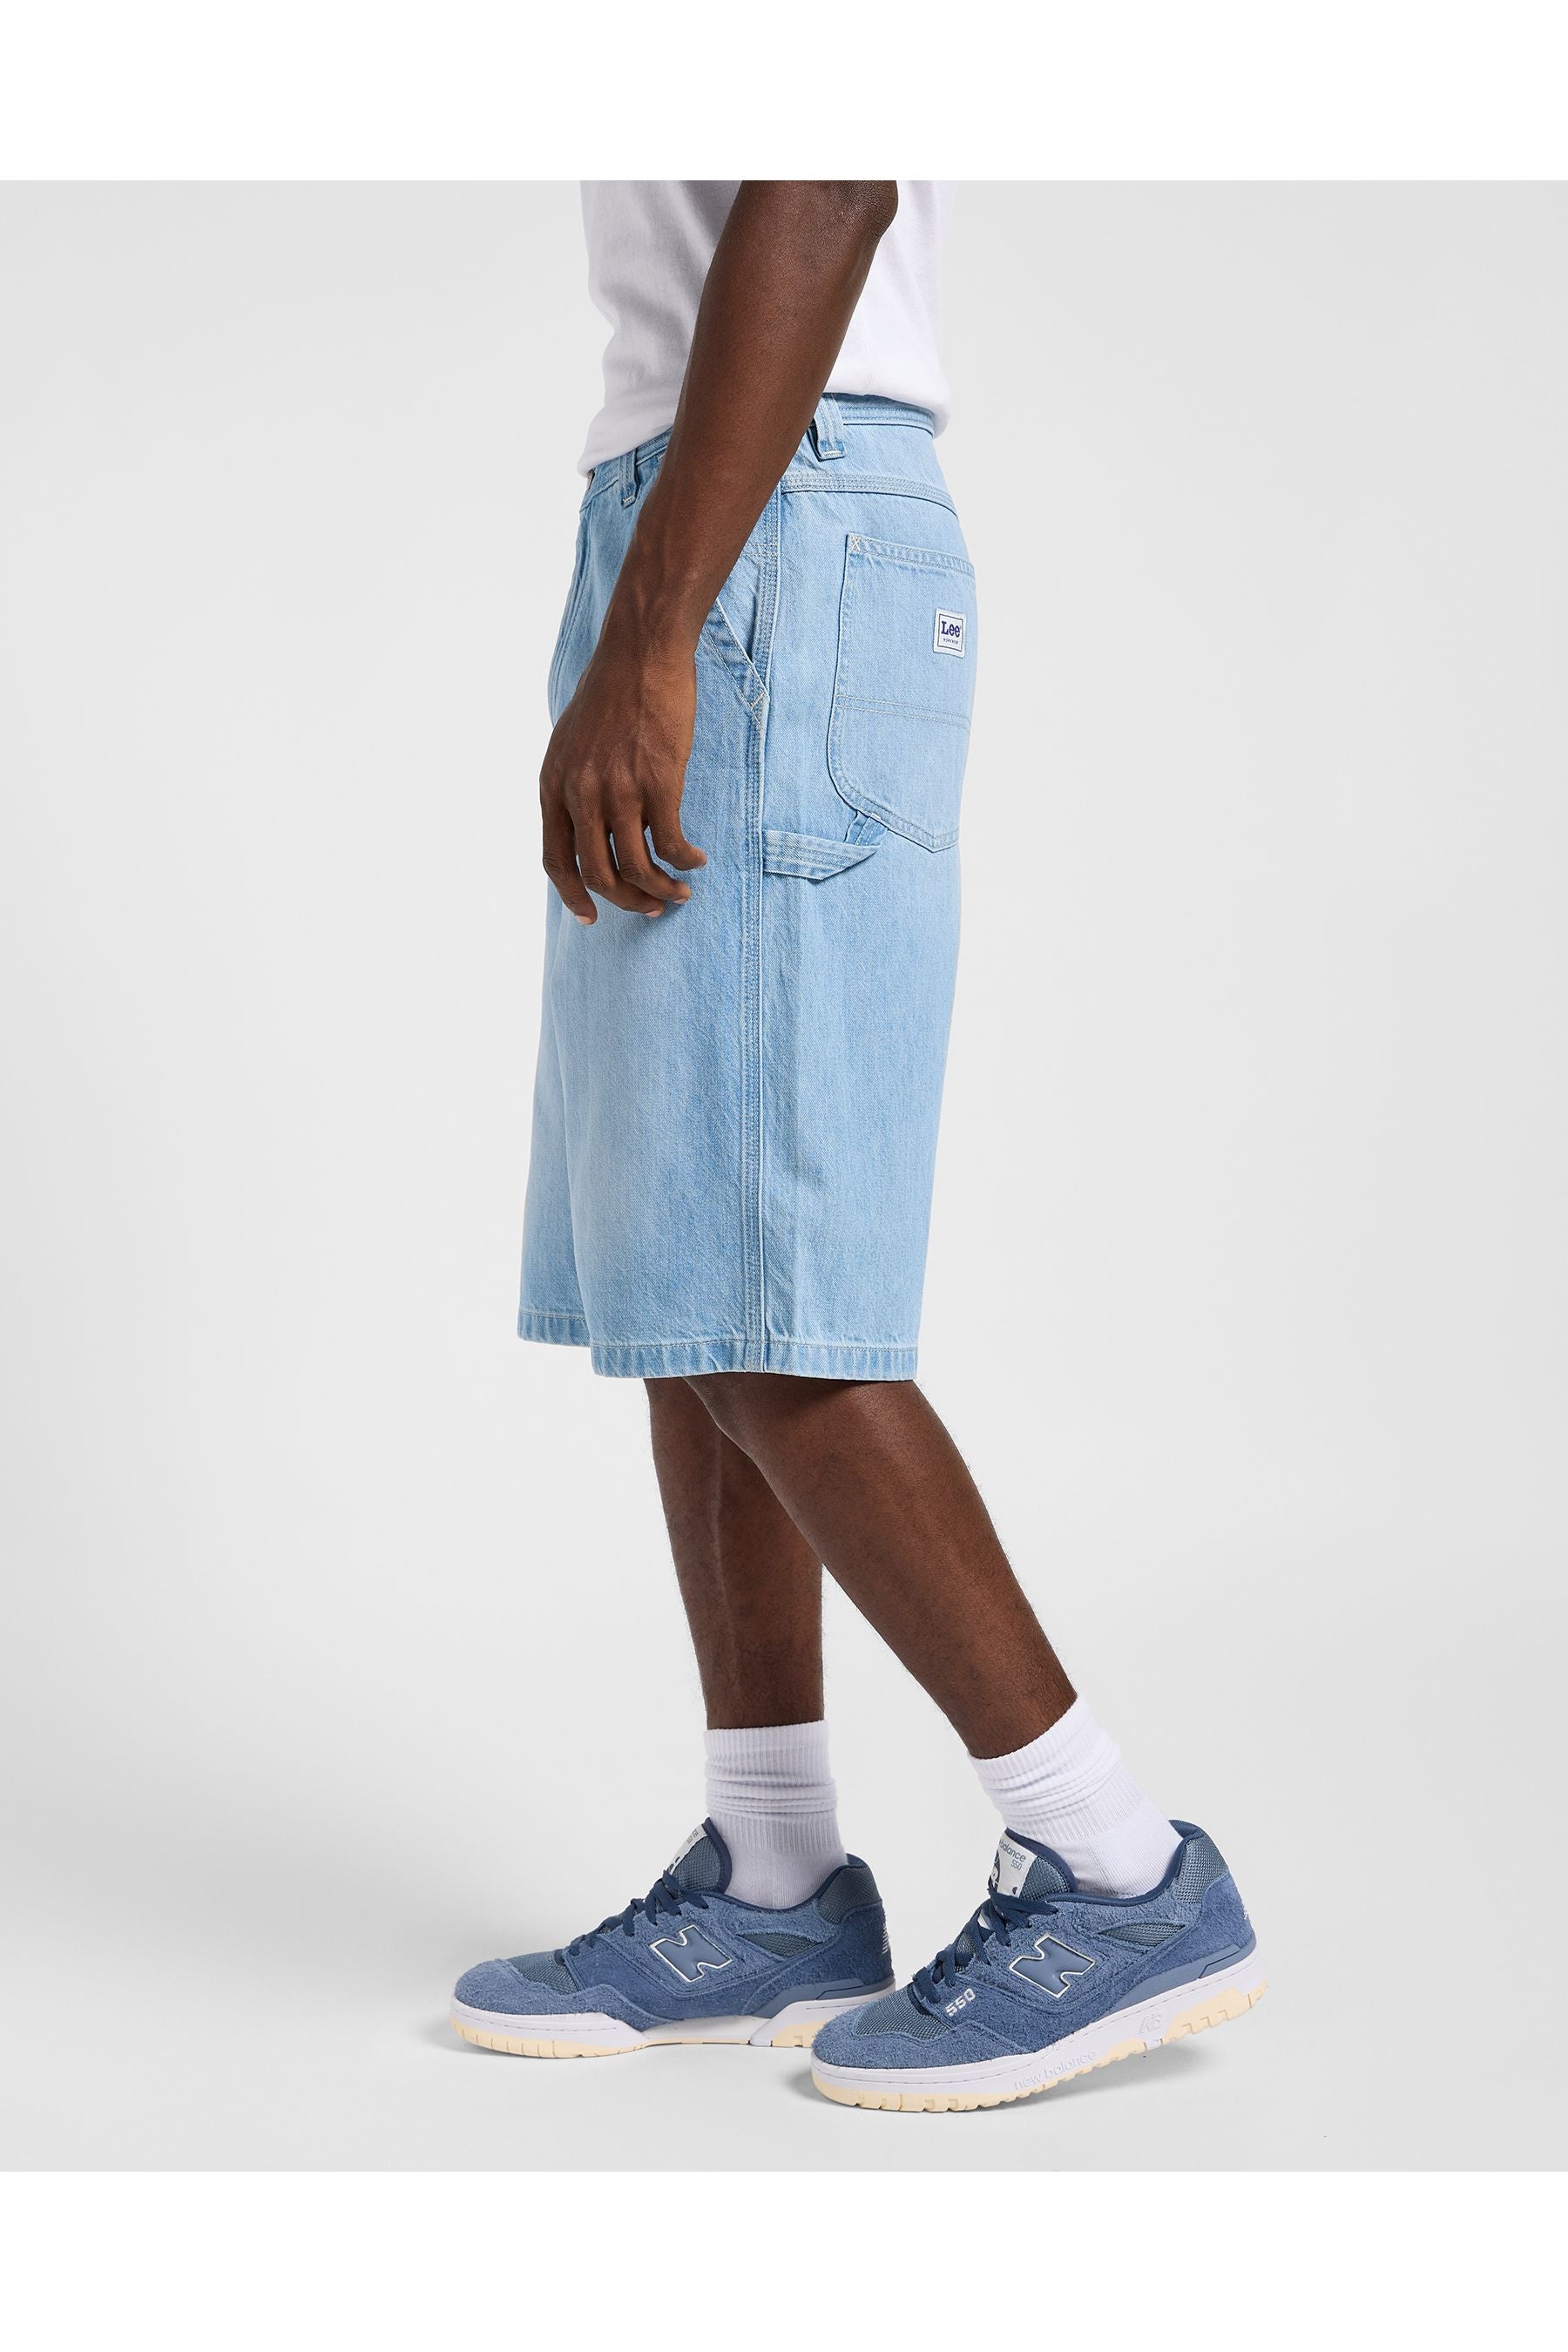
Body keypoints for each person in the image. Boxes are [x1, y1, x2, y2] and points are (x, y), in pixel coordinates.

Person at [450, 181, 1263, 2112]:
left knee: (774, 1296)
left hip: (761, 522)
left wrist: (662, 624)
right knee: (693, 1286)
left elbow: (825, 179)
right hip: (714, 504)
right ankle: (776, 1880)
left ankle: (1115, 1866)